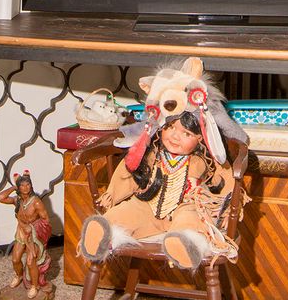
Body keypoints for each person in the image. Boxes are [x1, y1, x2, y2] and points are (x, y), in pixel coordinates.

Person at [79, 58, 248, 271]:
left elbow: (227, 180)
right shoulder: (153, 152)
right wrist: (113, 194)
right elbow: (128, 170)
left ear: (201, 138)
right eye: (170, 128)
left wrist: (226, 209)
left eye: (186, 133)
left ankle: (185, 244)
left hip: (187, 205)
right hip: (148, 203)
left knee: (190, 221)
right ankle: (103, 235)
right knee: (124, 213)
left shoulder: (204, 159)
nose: (175, 137)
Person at [0, 172, 52, 299]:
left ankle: (34, 286)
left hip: (34, 235)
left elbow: (46, 221)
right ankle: (19, 276)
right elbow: (0, 197)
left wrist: (32, 228)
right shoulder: (17, 200)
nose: (26, 188)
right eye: (22, 185)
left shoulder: (36, 202)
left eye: (28, 185)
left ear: (31, 186)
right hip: (21, 232)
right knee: (15, 259)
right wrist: (13, 187)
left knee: (30, 261)